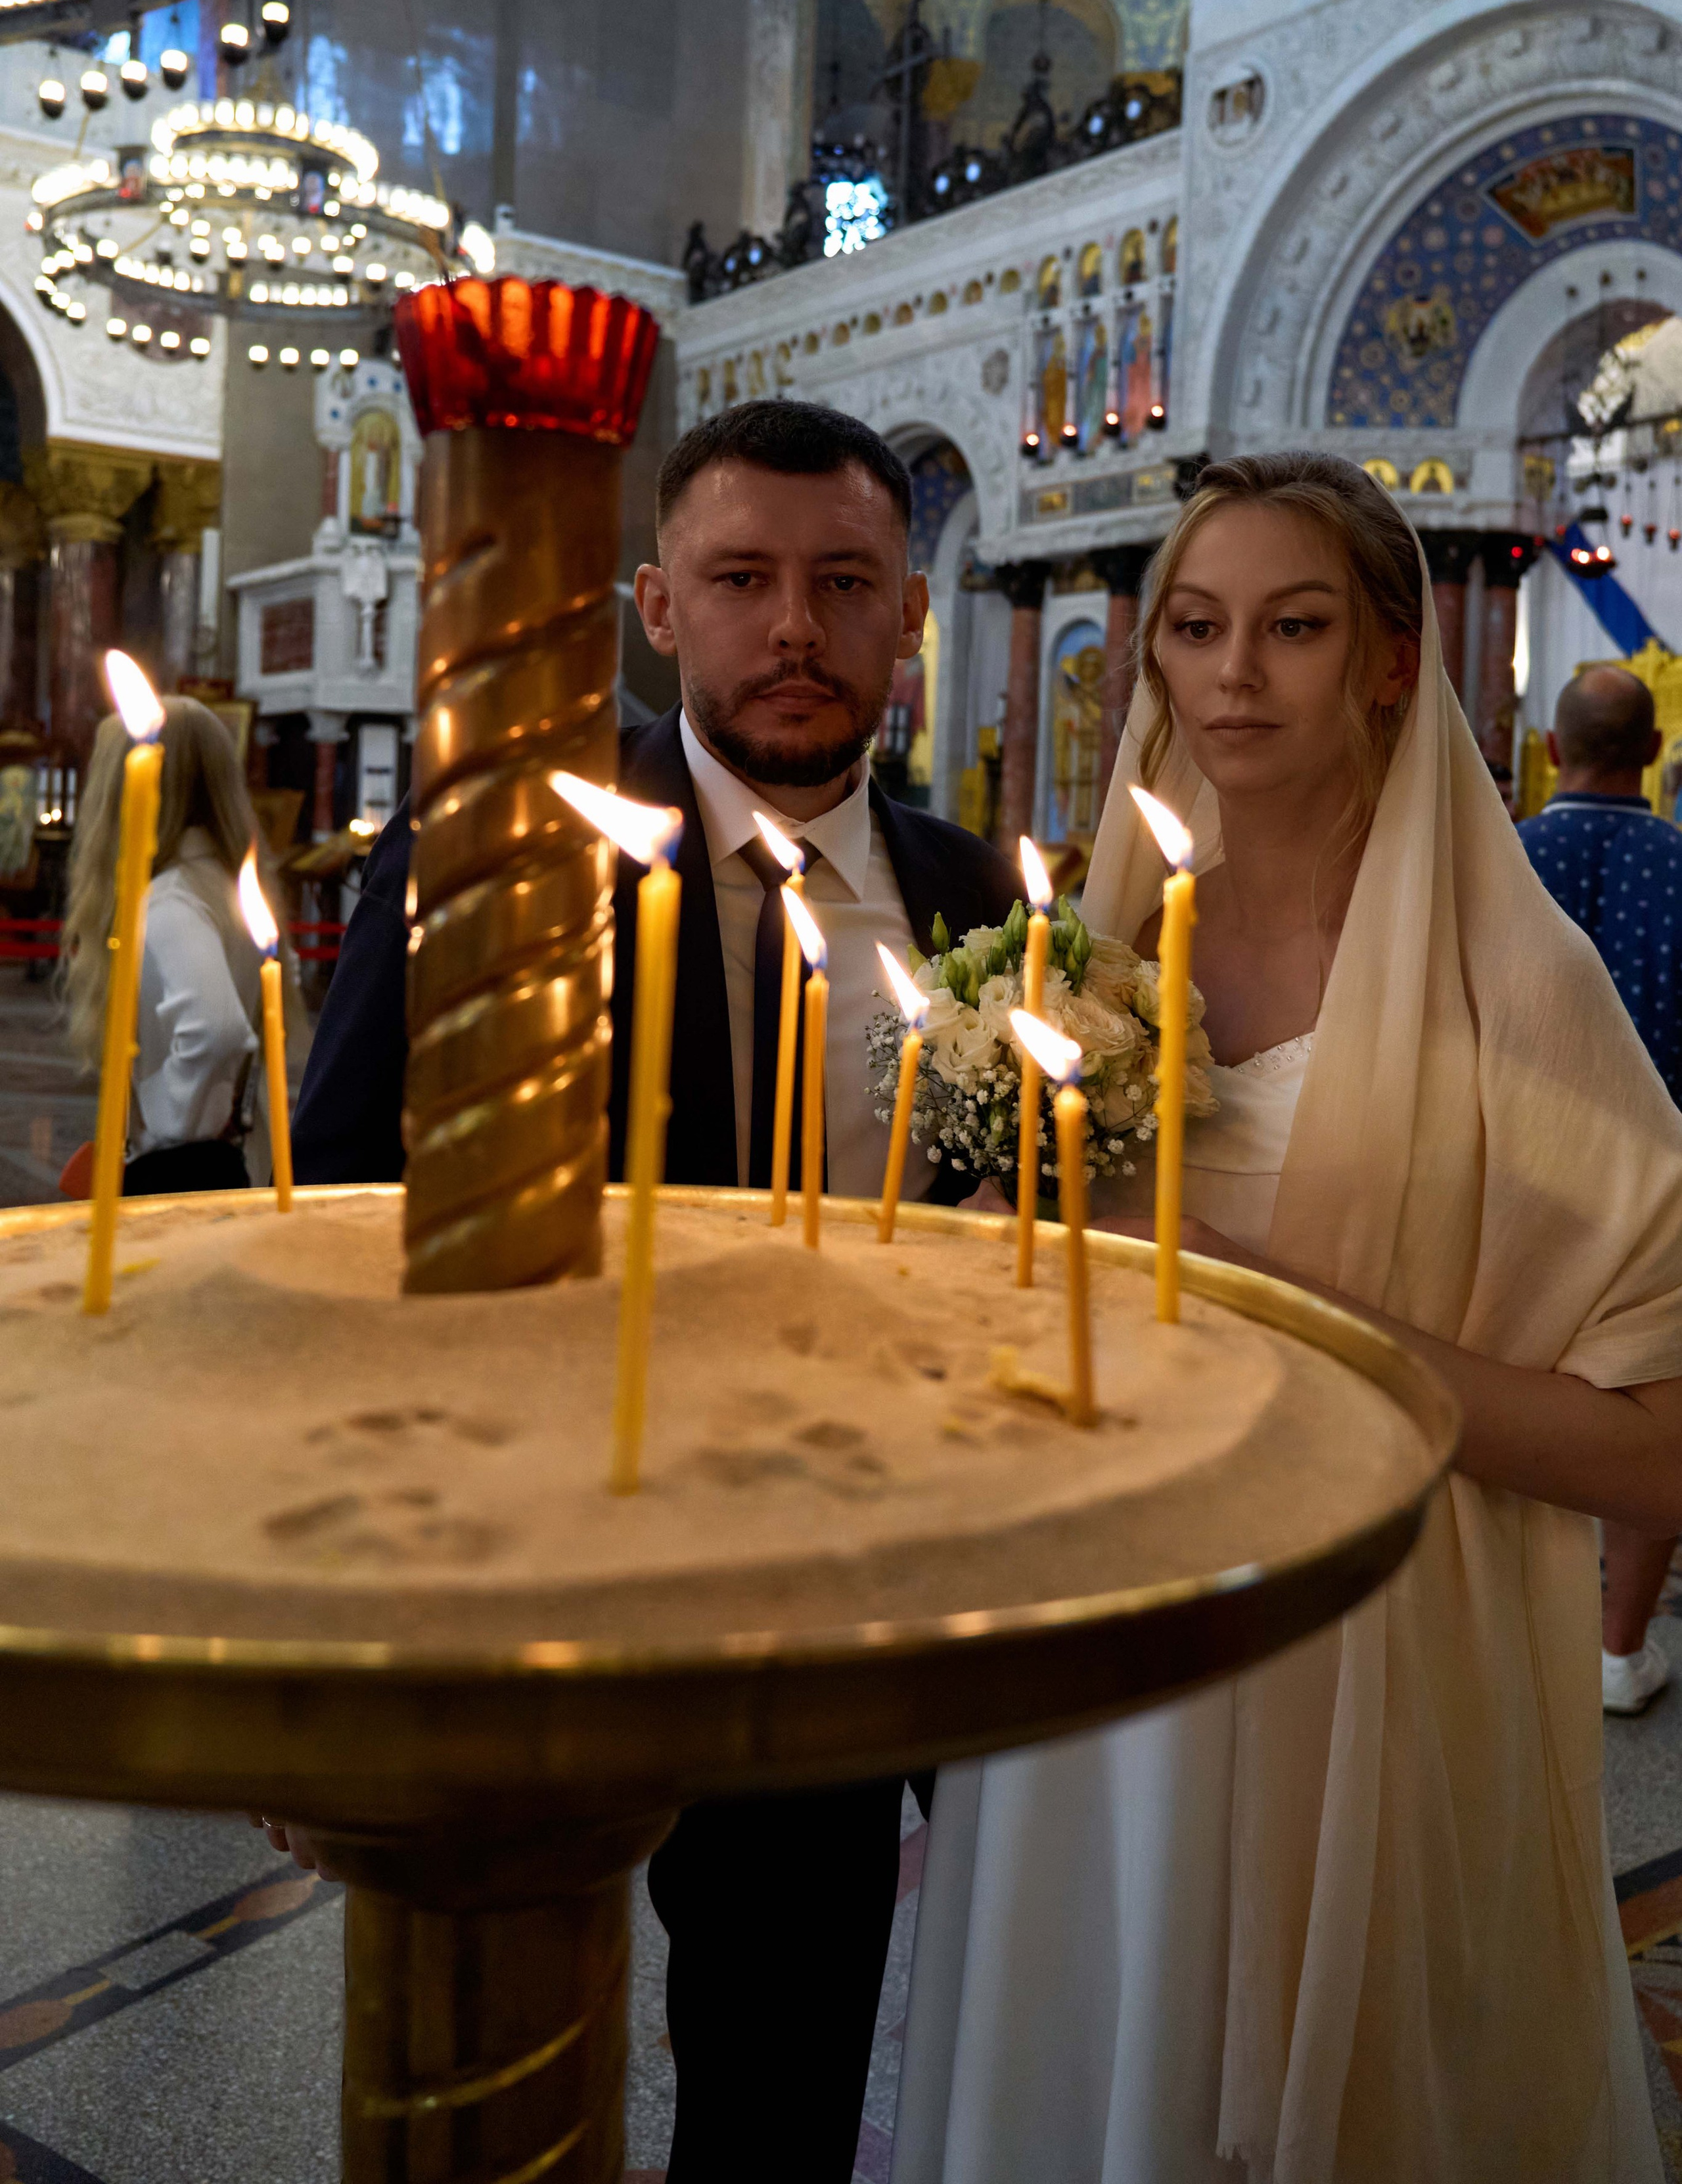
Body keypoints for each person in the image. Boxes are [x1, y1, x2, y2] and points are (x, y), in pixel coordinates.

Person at [894, 453, 1682, 2184]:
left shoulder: (1515, 985)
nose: (1235, 670)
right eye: (1196, 627)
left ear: (1392, 659)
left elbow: (1660, 1443)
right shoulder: (1093, 954)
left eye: (1295, 626)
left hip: (1371, 1653)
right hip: (1099, 1643)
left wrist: (1307, 1330)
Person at [287, 398, 1021, 2183]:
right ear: (654, 606)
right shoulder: (511, 846)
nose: (797, 628)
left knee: (783, 2080)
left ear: (912, 615)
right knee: (490, 2086)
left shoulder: (973, 897)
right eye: (745, 579)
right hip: (552, 1566)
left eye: (847, 583)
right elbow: (333, 1210)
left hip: (858, 1603)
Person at [1518, 664, 1682, 1716]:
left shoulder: (1497, 859)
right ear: (1658, 753)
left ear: (1548, 750)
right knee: (1648, 1402)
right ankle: (1619, 1653)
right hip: (1658, 1183)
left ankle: (1507, 1620)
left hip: (1511, 1179)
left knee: (1503, 1400)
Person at [62, 694, 290, 1196]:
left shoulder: (169, 899)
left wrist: (167, 1114)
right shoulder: (224, 885)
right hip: (232, 1162)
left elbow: (217, 1029)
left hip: (176, 1172)